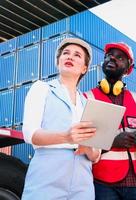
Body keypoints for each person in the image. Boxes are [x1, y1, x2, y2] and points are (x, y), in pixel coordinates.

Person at [21, 38, 100, 200]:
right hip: (47, 177)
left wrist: (88, 149)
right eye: (66, 53)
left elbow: (96, 155)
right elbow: (29, 134)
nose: (70, 57)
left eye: (77, 55)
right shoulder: (41, 88)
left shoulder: (89, 105)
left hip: (83, 182)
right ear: (58, 62)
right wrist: (66, 136)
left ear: (85, 68)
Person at [84, 42, 136, 200]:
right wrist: (112, 142)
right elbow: (80, 144)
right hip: (103, 182)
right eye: (109, 56)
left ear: (128, 68)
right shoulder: (86, 98)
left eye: (120, 57)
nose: (112, 58)